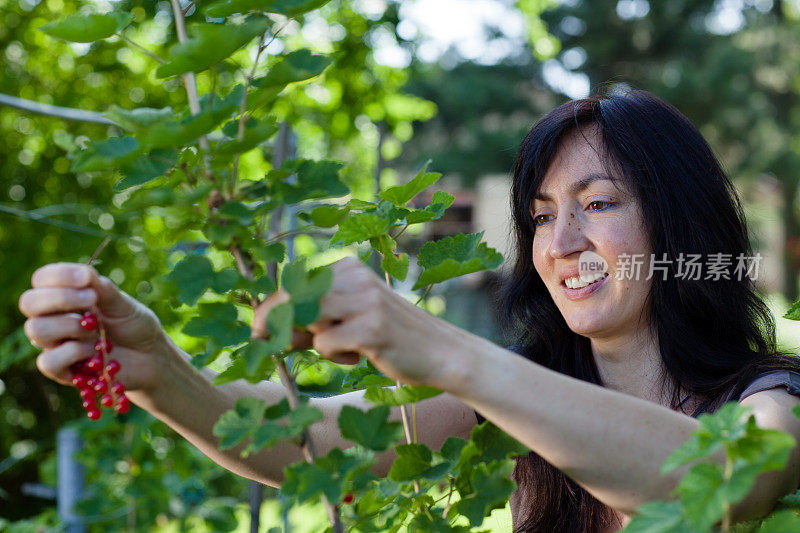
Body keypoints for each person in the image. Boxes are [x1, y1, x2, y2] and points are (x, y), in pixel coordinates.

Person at [18, 89, 800, 532]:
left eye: (597, 203)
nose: (562, 241)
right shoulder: (512, 401)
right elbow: (313, 442)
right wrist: (159, 370)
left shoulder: (775, 399)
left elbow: (720, 483)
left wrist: (444, 351)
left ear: (676, 222)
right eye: (539, 215)